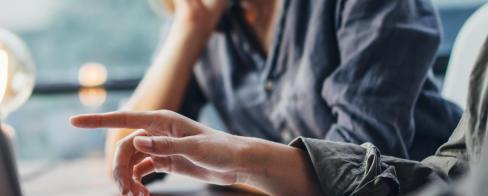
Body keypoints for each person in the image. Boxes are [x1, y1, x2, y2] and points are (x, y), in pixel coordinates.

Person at [71, 35, 488, 196]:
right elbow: (449, 187)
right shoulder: (219, 29)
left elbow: (367, 145)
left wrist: (249, 163)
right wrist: (243, 161)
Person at [106, 0, 462, 179]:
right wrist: (191, 23)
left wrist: (239, 164)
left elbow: (361, 169)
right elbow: (127, 158)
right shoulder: (212, 17)